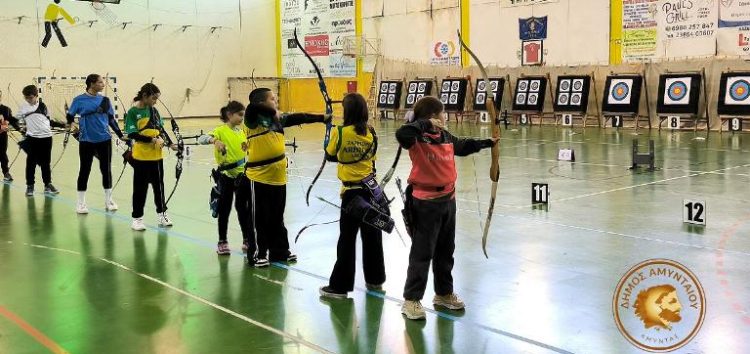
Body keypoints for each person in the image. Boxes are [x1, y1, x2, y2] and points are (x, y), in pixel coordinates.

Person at [396, 96, 498, 320]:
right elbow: (402, 134)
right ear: (433, 117)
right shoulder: (417, 137)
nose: (445, 117)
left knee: (445, 251)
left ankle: (443, 293)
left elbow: (461, 146)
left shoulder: (445, 136)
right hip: (425, 202)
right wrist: (426, 124)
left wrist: (487, 143)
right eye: (442, 113)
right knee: (422, 253)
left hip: (447, 200)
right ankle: (411, 300)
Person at [242, 87, 330, 267]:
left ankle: (280, 252)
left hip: (279, 177)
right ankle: (258, 254)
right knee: (260, 218)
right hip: (258, 178)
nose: (275, 102)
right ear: (261, 103)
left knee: (277, 216)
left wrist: (322, 118)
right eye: (272, 99)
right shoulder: (252, 120)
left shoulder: (276, 120)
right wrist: (273, 111)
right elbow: (251, 108)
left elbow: (300, 117)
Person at [319, 93, 386, 299]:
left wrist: (329, 132)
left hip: (351, 194)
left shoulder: (341, 132)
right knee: (373, 237)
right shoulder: (372, 133)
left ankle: (340, 287)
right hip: (371, 191)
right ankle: (375, 281)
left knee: (347, 240)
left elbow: (330, 154)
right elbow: (372, 159)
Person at [197, 101, 255, 255]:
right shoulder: (220, 131)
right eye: (240, 115)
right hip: (226, 176)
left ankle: (247, 239)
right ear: (230, 115)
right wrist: (215, 141)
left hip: (242, 175)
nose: (242, 118)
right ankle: (222, 241)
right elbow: (201, 139)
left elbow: (245, 149)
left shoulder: (241, 132)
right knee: (225, 209)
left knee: (244, 209)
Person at [66, 74, 125, 214]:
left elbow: (111, 119)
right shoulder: (79, 100)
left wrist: (120, 135)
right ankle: (80, 203)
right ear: (91, 84)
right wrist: (72, 124)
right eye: (100, 82)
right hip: (86, 140)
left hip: (104, 140)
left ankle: (109, 200)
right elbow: (70, 116)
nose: (103, 84)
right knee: (84, 170)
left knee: (106, 170)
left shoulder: (105, 100)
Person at [123, 83, 177, 231]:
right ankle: (137, 218)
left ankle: (162, 214)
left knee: (159, 187)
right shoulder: (133, 113)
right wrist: (152, 140)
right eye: (154, 98)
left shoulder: (154, 111)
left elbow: (160, 130)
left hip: (156, 157)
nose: (155, 101)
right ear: (145, 96)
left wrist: (171, 144)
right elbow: (132, 134)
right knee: (140, 189)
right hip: (141, 158)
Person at [16, 85, 64, 196]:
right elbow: (15, 120)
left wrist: (62, 125)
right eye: (26, 98)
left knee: (46, 163)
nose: (29, 100)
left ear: (36, 96)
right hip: (33, 139)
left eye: (31, 97)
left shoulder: (43, 106)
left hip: (47, 138)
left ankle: (47, 184)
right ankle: (30, 186)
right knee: (31, 163)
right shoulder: (24, 107)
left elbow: (48, 121)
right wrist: (20, 129)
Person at [0, 89, 22, 182]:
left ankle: (6, 173)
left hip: (2, 137)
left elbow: (12, 121)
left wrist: (22, 130)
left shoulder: (6, 109)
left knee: (2, 154)